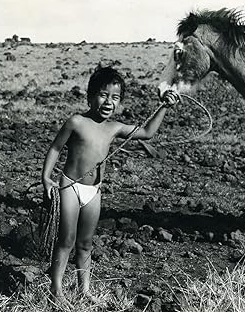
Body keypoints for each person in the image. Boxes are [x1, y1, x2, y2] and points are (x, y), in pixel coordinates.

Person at [42, 66, 179, 305]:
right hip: (70, 186)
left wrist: (165, 106)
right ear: (90, 96)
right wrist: (46, 178)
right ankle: (57, 290)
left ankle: (84, 290)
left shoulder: (114, 128)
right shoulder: (76, 122)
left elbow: (147, 133)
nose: (109, 101)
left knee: (85, 243)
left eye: (115, 97)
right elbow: (55, 148)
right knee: (66, 239)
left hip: (94, 191)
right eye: (103, 94)